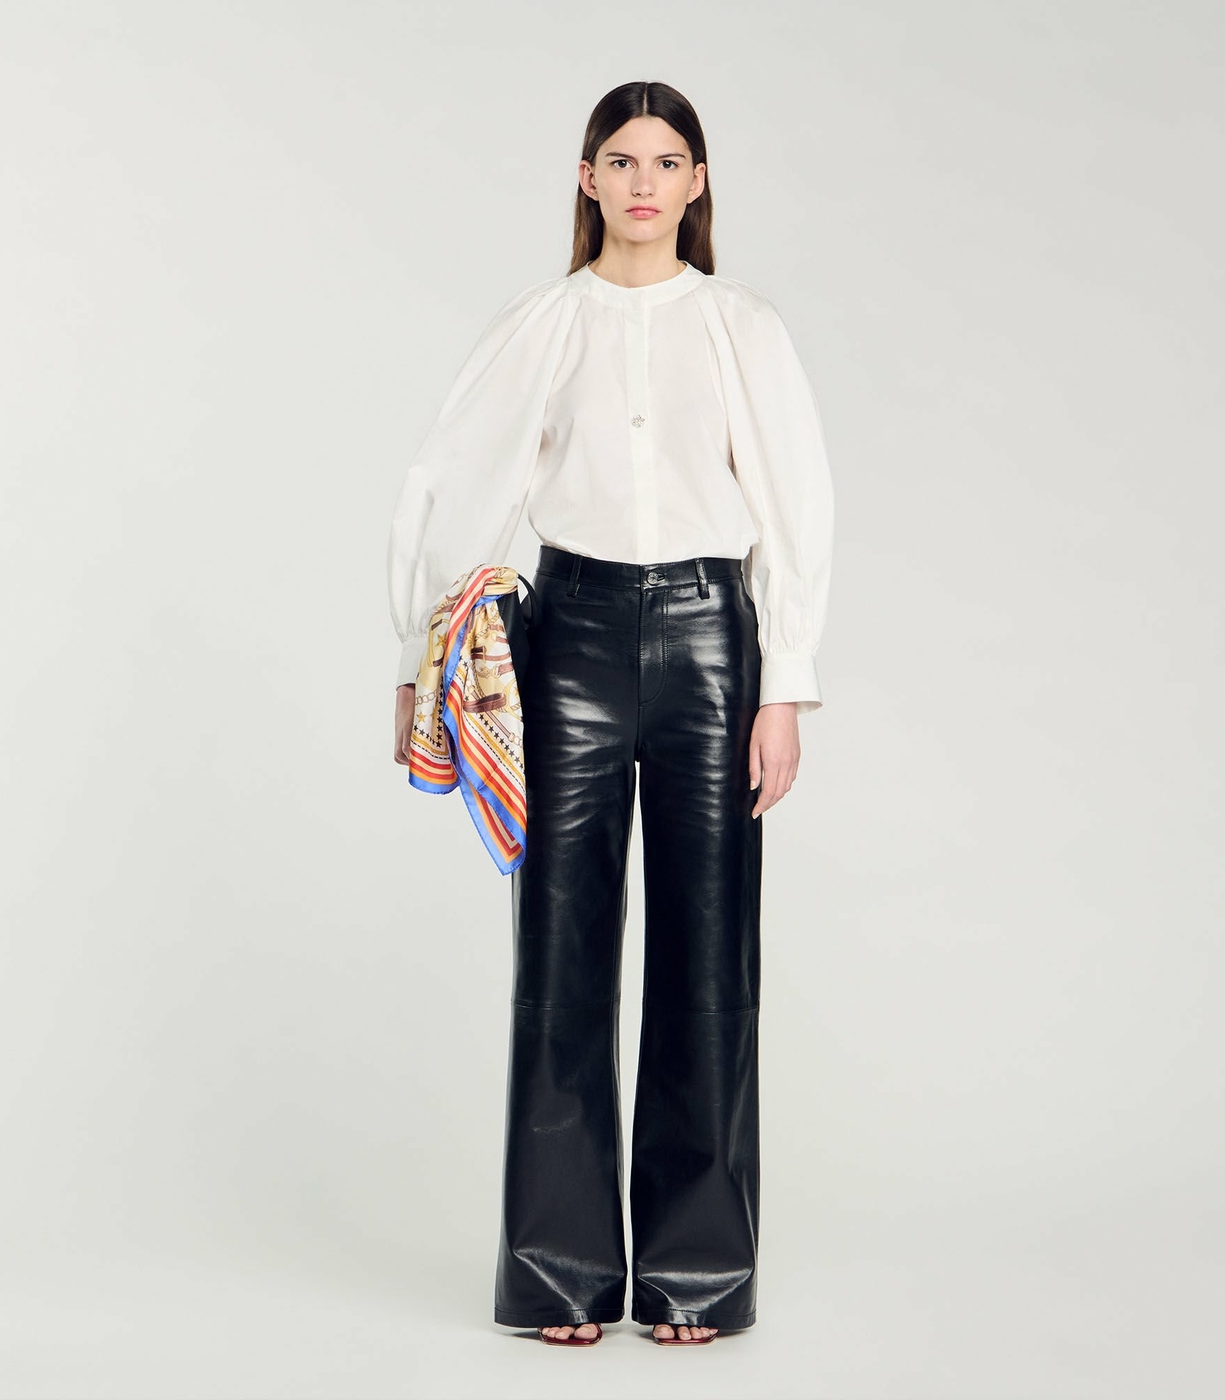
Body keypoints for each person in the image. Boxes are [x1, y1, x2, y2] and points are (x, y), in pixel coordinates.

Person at [386, 80, 834, 1346]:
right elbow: (453, 479)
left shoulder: (741, 328)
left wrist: (784, 682)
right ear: (586, 177)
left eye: (667, 160)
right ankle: (558, 1269)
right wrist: (419, 660)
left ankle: (695, 1273)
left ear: (697, 182)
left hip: (710, 643)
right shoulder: (543, 324)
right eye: (622, 159)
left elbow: (794, 503)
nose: (644, 182)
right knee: (561, 958)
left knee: (708, 963)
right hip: (567, 639)